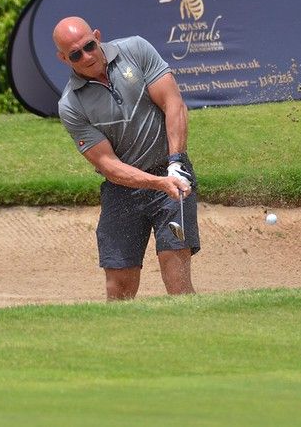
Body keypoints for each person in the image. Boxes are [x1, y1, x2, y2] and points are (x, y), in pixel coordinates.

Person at [53, 16, 200, 300]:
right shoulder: (71, 105)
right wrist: (158, 183)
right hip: (123, 192)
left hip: (171, 173)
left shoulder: (136, 49)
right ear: (63, 58)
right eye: (75, 54)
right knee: (118, 289)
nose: (86, 56)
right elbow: (109, 166)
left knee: (177, 279)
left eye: (89, 46)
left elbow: (173, 103)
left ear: (97, 36)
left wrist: (176, 162)